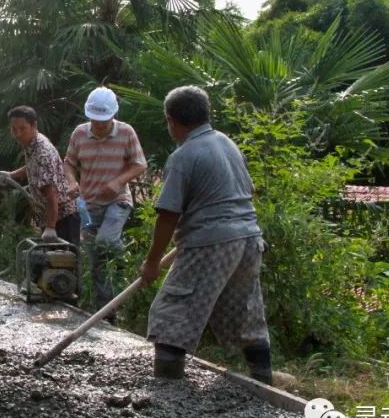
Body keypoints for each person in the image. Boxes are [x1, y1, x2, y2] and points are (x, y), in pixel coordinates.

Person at [139, 85, 272, 384]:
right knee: (244, 312)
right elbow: (247, 190)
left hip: (211, 242)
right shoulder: (226, 142)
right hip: (249, 239)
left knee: (172, 313)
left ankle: (168, 392)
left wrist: (152, 263)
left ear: (171, 121)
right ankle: (264, 381)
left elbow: (168, 216)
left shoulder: (184, 156)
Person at [64, 87, 147, 322]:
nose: (99, 125)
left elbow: (140, 164)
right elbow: (68, 163)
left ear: (113, 115)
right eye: (95, 120)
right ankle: (106, 313)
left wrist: (118, 181)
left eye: (104, 121)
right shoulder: (80, 134)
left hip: (117, 201)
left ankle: (126, 264)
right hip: (88, 205)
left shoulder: (126, 132)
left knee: (106, 242)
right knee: (98, 261)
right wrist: (72, 183)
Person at [0, 106, 80, 246]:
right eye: (14, 129)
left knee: (62, 263)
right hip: (51, 217)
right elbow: (33, 166)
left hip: (63, 219)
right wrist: (11, 175)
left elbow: (52, 195)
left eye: (22, 128)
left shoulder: (43, 151)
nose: (18, 134)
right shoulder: (32, 144)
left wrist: (51, 228)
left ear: (34, 125)